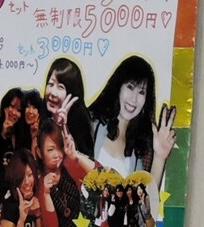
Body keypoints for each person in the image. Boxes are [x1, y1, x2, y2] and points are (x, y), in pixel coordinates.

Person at [72, 55, 178, 200]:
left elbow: (144, 207)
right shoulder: (90, 124)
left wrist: (160, 157)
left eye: (141, 92)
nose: (134, 99)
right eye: (130, 87)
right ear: (118, 87)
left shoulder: (136, 153)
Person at [35, 119, 81, 227]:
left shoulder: (70, 167)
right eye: (50, 150)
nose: (57, 155)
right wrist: (46, 193)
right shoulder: (39, 184)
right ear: (39, 152)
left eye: (60, 147)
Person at [43, 58, 96, 157]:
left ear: (72, 95)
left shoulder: (81, 128)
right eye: (50, 84)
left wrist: (63, 128)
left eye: (60, 87)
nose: (53, 93)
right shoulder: (39, 117)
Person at [0, 151, 47, 227]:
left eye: (30, 175)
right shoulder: (10, 206)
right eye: (22, 177)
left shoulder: (37, 197)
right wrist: (21, 220)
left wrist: (38, 215)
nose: (27, 182)